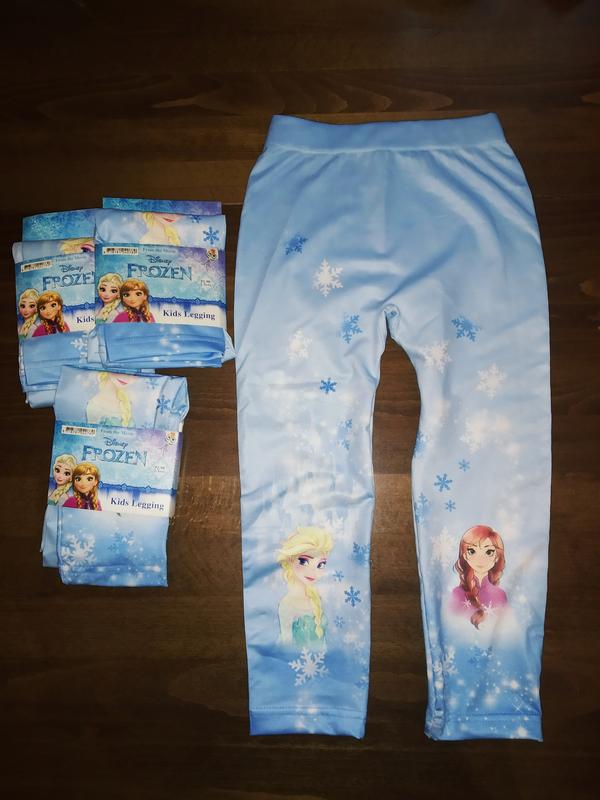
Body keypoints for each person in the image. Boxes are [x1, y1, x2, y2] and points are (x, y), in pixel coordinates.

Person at [276, 526, 333, 648]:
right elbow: (286, 646)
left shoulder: (316, 598)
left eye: (320, 564)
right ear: (290, 560)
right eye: (303, 561)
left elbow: (323, 642)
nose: (313, 572)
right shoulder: (287, 605)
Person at [450, 525, 508, 628]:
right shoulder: (457, 594)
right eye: (472, 551)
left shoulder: (500, 595)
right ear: (465, 555)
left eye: (489, 552)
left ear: (497, 557)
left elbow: (507, 627)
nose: (480, 559)